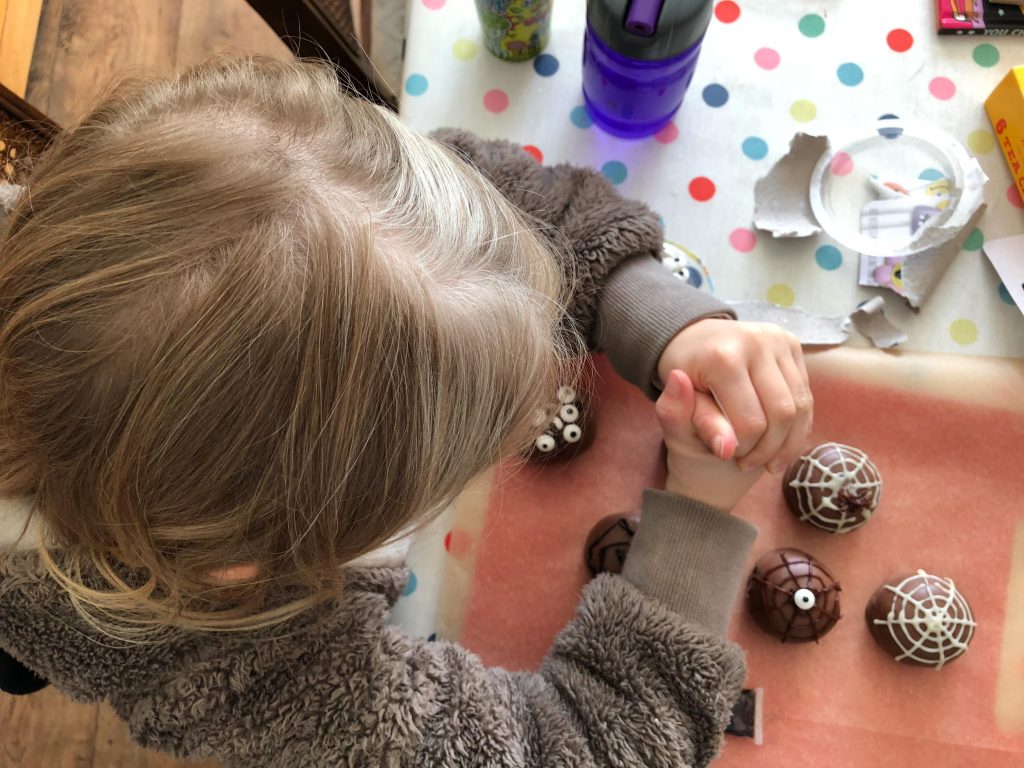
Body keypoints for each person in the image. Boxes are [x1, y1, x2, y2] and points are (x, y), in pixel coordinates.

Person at [0, 57, 810, 766]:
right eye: (476, 449)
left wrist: (663, 317)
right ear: (256, 570)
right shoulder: (231, 662)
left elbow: (489, 197)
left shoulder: (306, 191)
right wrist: (697, 522)